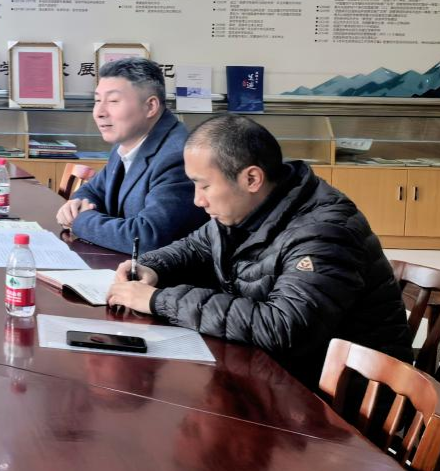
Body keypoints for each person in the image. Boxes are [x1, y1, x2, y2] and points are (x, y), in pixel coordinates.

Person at [107, 114, 412, 386]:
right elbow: (195, 246)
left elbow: (283, 328)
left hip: (338, 398)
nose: (198, 200)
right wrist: (152, 266)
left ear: (251, 178)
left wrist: (158, 300)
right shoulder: (247, 207)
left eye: (204, 186)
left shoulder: (324, 232)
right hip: (271, 373)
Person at [57, 58, 207, 253]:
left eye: (113, 101)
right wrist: (75, 206)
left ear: (151, 106)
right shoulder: (127, 143)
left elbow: (147, 237)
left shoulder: (178, 156)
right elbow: (93, 191)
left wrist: (81, 220)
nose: (99, 112)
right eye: (97, 100)